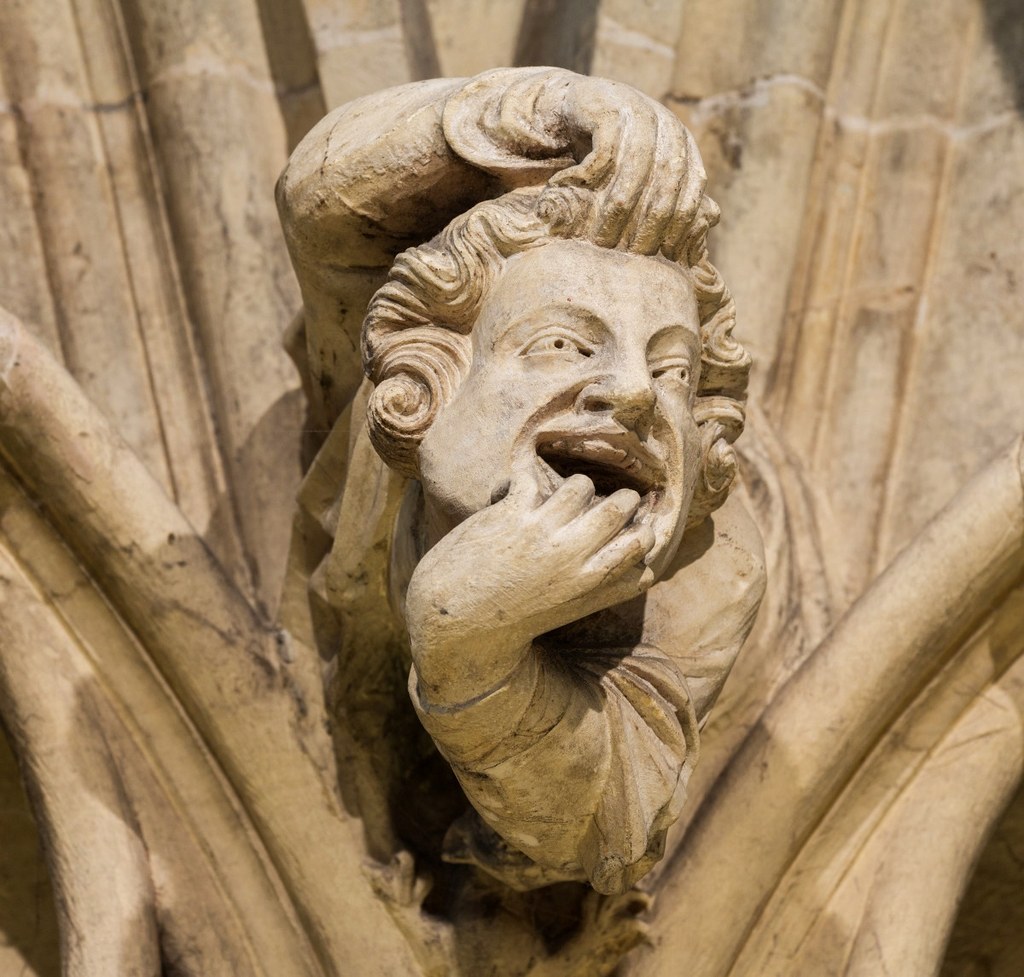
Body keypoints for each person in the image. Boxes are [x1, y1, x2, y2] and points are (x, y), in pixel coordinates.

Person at [278, 67, 766, 893]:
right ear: (431, 385)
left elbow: (602, 822)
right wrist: (546, 111)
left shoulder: (709, 577)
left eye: (673, 369)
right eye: (564, 346)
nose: (638, 391)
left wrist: (471, 642)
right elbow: (319, 203)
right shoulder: (379, 395)